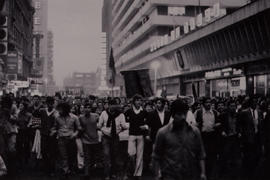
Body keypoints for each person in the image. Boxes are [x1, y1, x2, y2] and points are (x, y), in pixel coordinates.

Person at [152, 99, 206, 180]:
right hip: (170, 175)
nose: (183, 117)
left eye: (185, 114)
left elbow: (201, 154)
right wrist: (157, 175)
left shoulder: (195, 132)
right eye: (179, 114)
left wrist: (203, 173)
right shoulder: (163, 133)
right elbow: (156, 157)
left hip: (191, 175)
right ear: (173, 115)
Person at [98, 98, 128, 180]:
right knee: (106, 154)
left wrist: (120, 130)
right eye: (111, 105)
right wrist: (105, 131)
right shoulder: (104, 113)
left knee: (115, 155)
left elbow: (124, 126)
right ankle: (107, 174)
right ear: (109, 105)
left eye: (115, 105)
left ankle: (114, 173)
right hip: (106, 137)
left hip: (115, 137)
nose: (113, 106)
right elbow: (99, 125)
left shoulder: (121, 115)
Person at [51, 102, 82, 179]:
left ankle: (71, 169)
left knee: (71, 155)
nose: (59, 111)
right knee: (63, 155)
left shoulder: (74, 117)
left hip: (71, 138)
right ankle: (66, 171)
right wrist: (53, 131)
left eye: (60, 110)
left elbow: (79, 128)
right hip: (61, 139)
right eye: (59, 110)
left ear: (65, 109)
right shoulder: (57, 117)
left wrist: (75, 134)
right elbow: (55, 127)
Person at [238, 98, 264, 179]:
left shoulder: (259, 112)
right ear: (250, 103)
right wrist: (241, 133)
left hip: (257, 136)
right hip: (248, 137)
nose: (255, 104)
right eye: (253, 102)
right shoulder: (244, 112)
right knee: (248, 155)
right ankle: (247, 172)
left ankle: (253, 169)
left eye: (256, 102)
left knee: (258, 155)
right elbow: (240, 124)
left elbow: (260, 124)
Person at [125, 94, 149, 180]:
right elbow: (125, 122)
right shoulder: (129, 111)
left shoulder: (144, 112)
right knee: (131, 154)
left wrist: (145, 127)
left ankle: (138, 174)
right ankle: (129, 171)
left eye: (140, 100)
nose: (139, 102)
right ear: (134, 101)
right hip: (131, 135)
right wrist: (128, 126)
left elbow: (149, 123)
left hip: (140, 136)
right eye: (137, 100)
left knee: (140, 155)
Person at [79, 103, 99, 180]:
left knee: (94, 157)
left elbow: (99, 124)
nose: (87, 109)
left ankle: (93, 171)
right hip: (86, 140)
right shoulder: (81, 118)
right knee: (87, 157)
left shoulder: (96, 116)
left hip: (95, 140)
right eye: (86, 107)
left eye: (89, 107)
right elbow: (79, 127)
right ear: (83, 109)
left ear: (91, 109)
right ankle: (86, 173)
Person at [40, 96, 58, 176]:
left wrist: (54, 131)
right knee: (43, 151)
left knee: (52, 152)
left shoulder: (56, 113)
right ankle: (46, 167)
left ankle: (52, 169)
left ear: (53, 104)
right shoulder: (43, 111)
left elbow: (57, 125)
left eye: (51, 103)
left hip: (52, 135)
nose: (50, 105)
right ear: (47, 104)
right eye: (49, 103)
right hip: (44, 134)